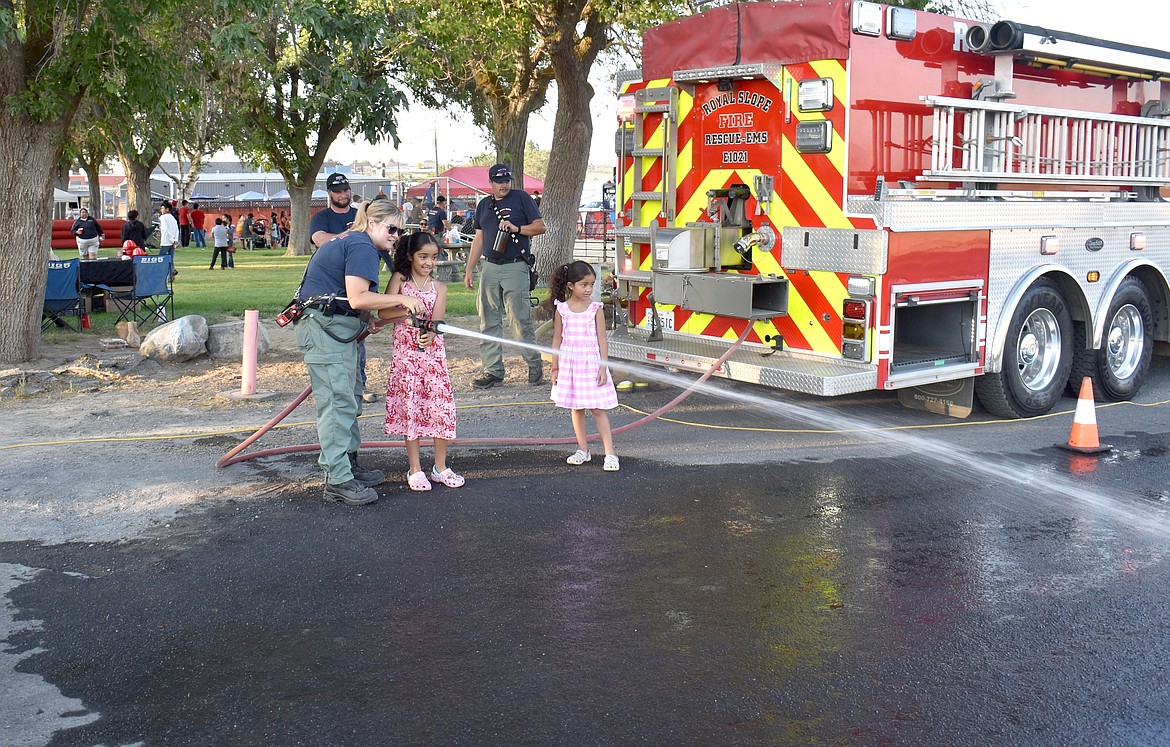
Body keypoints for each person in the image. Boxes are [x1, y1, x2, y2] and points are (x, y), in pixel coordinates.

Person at [294, 198, 424, 506]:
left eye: (400, 231)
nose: (395, 236)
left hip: (335, 328)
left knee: (349, 396)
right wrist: (403, 302)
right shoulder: (362, 246)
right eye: (392, 228)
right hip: (325, 329)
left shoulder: (357, 243)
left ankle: (347, 465)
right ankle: (338, 479)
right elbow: (357, 297)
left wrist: (371, 319)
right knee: (337, 402)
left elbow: (348, 297)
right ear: (374, 224)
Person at [382, 232, 463, 492]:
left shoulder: (440, 288)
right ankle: (415, 468)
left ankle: (440, 467)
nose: (429, 262)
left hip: (433, 359)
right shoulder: (400, 280)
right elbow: (383, 312)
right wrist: (405, 309)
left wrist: (430, 333)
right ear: (410, 256)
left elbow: (436, 323)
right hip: (406, 358)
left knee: (440, 409)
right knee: (412, 408)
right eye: (423, 256)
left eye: (434, 257)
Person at [462, 163, 546, 388]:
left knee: (519, 318)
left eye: (506, 180)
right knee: (488, 319)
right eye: (499, 181)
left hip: (515, 266)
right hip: (489, 266)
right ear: (490, 183)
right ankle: (493, 371)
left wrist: (517, 228)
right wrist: (470, 269)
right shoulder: (483, 205)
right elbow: (478, 239)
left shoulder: (522, 199)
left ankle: (534, 365)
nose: (504, 184)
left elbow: (540, 227)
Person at [311, 172, 379, 403]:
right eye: (338, 191)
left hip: (359, 277)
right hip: (333, 288)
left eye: (346, 190)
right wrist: (351, 235)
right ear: (329, 193)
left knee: (360, 335)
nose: (343, 194)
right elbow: (320, 239)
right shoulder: (322, 217)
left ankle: (359, 386)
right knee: (338, 339)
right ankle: (341, 391)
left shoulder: (360, 214)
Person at [550, 260, 620, 472]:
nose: (589, 289)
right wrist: (555, 367)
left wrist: (602, 367)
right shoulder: (561, 309)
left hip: (591, 364)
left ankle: (610, 453)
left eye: (592, 284)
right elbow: (556, 340)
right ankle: (583, 450)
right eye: (584, 285)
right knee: (576, 408)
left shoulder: (595, 309)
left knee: (597, 409)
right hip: (569, 365)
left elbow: (602, 340)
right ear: (571, 285)